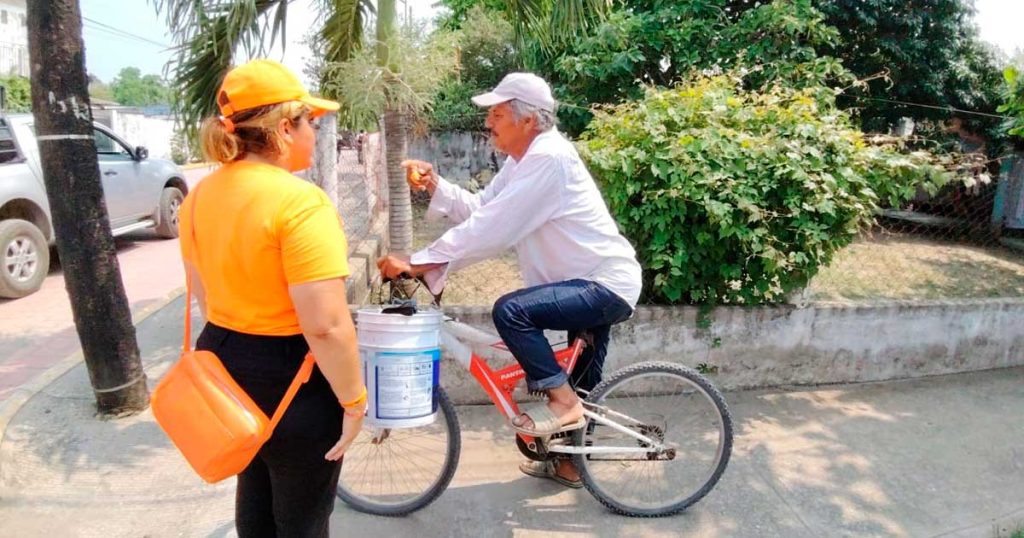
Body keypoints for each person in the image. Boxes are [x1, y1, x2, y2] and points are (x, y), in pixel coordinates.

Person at [377, 72, 642, 488]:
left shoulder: (548, 159)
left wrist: (421, 260)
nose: (488, 124)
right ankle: (572, 463)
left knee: (513, 311)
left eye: (497, 114)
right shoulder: (525, 161)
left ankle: (561, 402)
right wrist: (435, 185)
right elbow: (482, 208)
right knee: (582, 379)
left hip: (602, 283)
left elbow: (493, 227)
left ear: (528, 119)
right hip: (585, 282)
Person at [179, 59, 365, 537]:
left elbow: (202, 292)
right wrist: (354, 401)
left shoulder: (200, 195)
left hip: (222, 358)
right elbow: (325, 325)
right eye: (310, 122)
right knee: (303, 519)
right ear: (285, 127)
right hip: (291, 374)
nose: (313, 132)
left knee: (255, 491)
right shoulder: (300, 203)